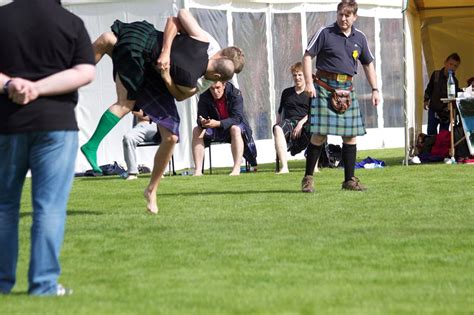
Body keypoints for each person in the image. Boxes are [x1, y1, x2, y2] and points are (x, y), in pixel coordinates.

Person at [80, 9, 244, 214]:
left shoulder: (204, 77)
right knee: (125, 101)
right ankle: (73, 79)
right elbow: (178, 16)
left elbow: (182, 95)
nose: (216, 82)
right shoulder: (205, 42)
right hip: (149, 54)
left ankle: (151, 190)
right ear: (220, 53)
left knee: (170, 137)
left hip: (160, 82)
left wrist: (166, 76)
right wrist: (166, 51)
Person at [0, 0, 95, 296]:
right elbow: (85, 72)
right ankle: (43, 284)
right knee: (49, 208)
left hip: (7, 124)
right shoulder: (71, 23)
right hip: (56, 125)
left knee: (4, 207)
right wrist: (39, 88)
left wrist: (11, 85)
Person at [301, 0, 379, 193]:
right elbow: (307, 56)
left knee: (350, 136)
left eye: (347, 15)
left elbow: (368, 64)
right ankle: (308, 178)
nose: (343, 19)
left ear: (355, 17)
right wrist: (309, 83)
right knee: (319, 134)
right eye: (340, 15)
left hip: (347, 88)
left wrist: (375, 89)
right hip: (325, 87)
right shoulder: (325, 32)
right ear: (337, 14)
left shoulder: (359, 38)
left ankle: (349, 180)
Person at [192, 81, 257, 176]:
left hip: (234, 128)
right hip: (215, 129)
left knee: (235, 129)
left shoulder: (235, 94)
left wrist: (218, 123)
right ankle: (198, 171)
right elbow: (200, 117)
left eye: (218, 87)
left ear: (224, 84)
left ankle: (236, 168)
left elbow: (237, 118)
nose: (215, 91)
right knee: (196, 130)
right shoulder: (204, 97)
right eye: (212, 88)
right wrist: (202, 122)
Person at [273, 62, 310, 174]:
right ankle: (284, 167)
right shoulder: (287, 92)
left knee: (314, 128)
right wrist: (276, 127)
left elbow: (313, 112)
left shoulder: (310, 92)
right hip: (290, 122)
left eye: (300, 75)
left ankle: (314, 167)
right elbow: (280, 112)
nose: (297, 78)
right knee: (278, 129)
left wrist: (300, 124)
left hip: (306, 122)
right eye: (294, 75)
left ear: (305, 76)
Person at [423, 53, 461, 135]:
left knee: (443, 135)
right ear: (445, 63)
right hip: (434, 109)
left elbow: (455, 97)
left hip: (446, 113)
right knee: (431, 132)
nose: (452, 67)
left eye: (455, 66)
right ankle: (431, 147)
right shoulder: (436, 75)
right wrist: (426, 100)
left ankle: (441, 148)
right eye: (450, 64)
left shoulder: (455, 81)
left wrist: (453, 112)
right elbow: (429, 88)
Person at [122, 110, 158, 180]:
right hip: (141, 126)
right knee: (128, 138)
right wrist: (154, 117)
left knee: (166, 137)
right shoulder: (139, 99)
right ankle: (132, 173)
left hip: (158, 126)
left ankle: (159, 171)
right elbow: (136, 112)